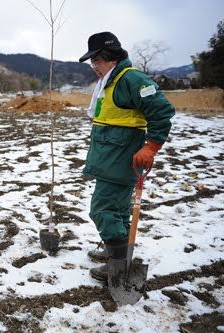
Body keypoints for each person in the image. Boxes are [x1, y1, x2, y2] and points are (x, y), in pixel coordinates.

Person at [78, 32, 175, 282]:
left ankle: (119, 264)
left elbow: (161, 111)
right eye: (92, 62)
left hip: (120, 159)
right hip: (109, 157)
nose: (94, 67)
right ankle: (117, 252)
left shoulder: (132, 80)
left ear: (109, 58)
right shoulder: (109, 82)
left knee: (102, 208)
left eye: (96, 61)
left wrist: (151, 146)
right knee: (118, 208)